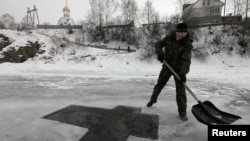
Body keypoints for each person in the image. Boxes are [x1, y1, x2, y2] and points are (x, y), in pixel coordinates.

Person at [146, 22, 193, 121]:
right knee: (159, 84)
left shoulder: (187, 44)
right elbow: (158, 44)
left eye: (184, 32)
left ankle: (182, 113)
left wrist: (183, 73)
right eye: (181, 32)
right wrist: (160, 54)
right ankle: (152, 100)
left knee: (180, 91)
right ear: (177, 32)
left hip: (179, 70)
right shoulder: (169, 38)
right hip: (167, 66)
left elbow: (186, 61)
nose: (183, 34)